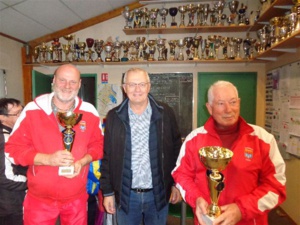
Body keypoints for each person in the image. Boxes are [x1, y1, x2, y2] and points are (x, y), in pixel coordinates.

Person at [172, 80, 286, 225]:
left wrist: (241, 209)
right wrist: (197, 198)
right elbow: (181, 175)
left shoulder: (263, 140)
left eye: (233, 102)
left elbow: (276, 186)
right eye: (220, 103)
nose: (228, 109)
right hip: (207, 221)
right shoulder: (193, 140)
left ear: (239, 102)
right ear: (209, 107)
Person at [5, 64, 104, 225]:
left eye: (73, 82)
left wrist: (82, 161)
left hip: (76, 198)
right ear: (53, 81)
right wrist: (47, 159)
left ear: (79, 84)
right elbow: (11, 150)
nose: (67, 86)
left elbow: (98, 146)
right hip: (39, 199)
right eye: (62, 80)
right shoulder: (32, 110)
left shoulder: (90, 112)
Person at [100, 67, 182, 225]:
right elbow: (108, 157)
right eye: (131, 84)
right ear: (124, 88)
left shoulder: (166, 113)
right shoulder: (113, 117)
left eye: (142, 84)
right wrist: (108, 192)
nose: (137, 89)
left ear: (149, 86)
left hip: (158, 195)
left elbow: (177, 152)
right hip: (126, 197)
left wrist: (176, 184)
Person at [0, 98, 27, 225]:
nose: (22, 116)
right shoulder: (5, 138)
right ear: (2, 118)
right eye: (17, 114)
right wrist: (31, 182)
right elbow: (5, 177)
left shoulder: (13, 133)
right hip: (9, 203)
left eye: (22, 110)